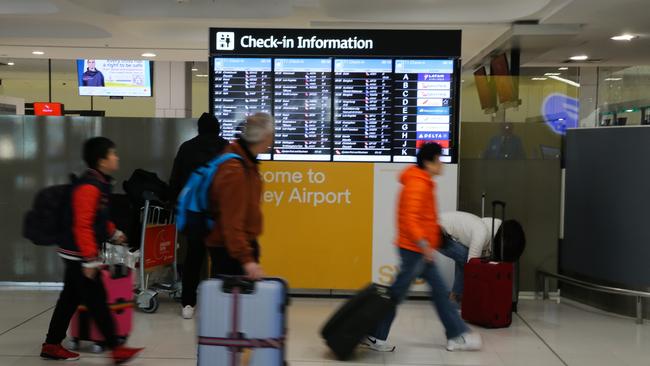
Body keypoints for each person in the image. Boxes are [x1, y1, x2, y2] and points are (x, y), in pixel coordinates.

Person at [365, 143, 482, 353]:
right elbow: (410, 220)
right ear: (429, 162)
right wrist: (424, 244)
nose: (442, 163)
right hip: (414, 250)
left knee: (435, 292)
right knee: (399, 294)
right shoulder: (417, 184)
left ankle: (455, 335)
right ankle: (376, 334)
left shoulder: (422, 181)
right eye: (439, 159)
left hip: (418, 250)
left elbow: (422, 218)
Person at [41, 137, 143, 364]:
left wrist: (113, 233)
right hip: (78, 254)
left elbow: (96, 218)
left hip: (75, 251)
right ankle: (117, 349)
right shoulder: (89, 186)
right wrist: (89, 259)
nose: (116, 157)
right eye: (112, 154)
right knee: (97, 300)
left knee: (69, 299)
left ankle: (51, 344)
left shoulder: (98, 182)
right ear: (101, 160)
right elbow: (83, 224)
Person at [169, 112, 229, 320]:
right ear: (218, 128)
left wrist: (175, 203)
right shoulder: (226, 148)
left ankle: (188, 303)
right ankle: (217, 303)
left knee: (193, 259)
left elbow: (175, 181)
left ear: (199, 129)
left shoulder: (187, 148)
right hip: (218, 215)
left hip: (194, 214)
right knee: (219, 260)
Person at [205, 113, 274, 280]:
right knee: (232, 305)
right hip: (230, 253)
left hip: (235, 248)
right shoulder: (235, 170)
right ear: (264, 137)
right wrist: (247, 260)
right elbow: (231, 222)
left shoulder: (245, 162)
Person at [438, 211, 502, 305]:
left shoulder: (490, 227)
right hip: (438, 232)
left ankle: (456, 296)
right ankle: (457, 296)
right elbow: (472, 265)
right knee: (466, 260)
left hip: (440, 228)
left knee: (464, 260)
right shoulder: (481, 233)